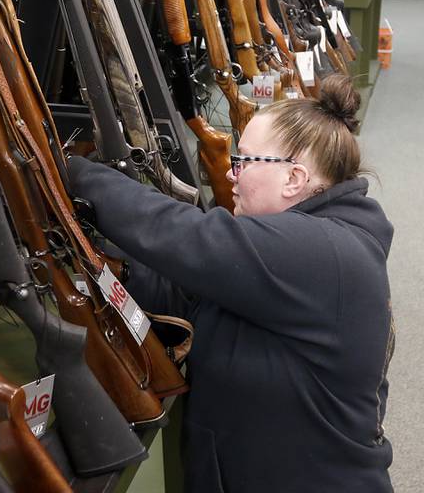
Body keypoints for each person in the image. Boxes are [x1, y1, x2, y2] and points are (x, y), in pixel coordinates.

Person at [67, 75, 395, 492]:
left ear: (294, 179)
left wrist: (71, 173)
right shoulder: (311, 248)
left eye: (245, 160)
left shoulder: (323, 252)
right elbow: (194, 300)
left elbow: (186, 236)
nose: (230, 172)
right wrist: (115, 265)